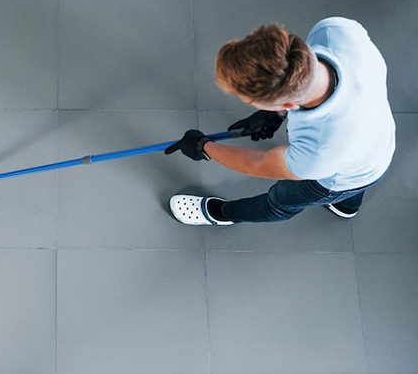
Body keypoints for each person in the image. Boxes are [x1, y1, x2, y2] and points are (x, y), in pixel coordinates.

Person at [164, 18, 395, 226]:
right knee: (356, 169)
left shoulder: (319, 152)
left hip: (341, 177)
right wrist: (274, 115)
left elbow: (259, 164)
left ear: (287, 105)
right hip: (379, 139)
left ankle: (222, 213)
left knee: (280, 201)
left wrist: (204, 147)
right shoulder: (336, 32)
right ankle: (347, 205)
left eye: (252, 102)